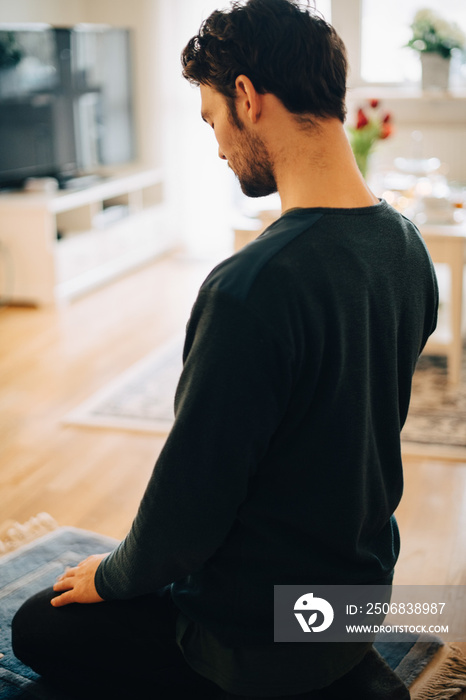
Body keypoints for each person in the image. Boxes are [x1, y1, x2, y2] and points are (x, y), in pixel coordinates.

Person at [12, 1, 438, 698]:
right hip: (354, 603)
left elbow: (189, 508)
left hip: (256, 635)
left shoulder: (253, 287)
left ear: (246, 95)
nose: (215, 145)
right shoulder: (406, 248)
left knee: (38, 626)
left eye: (212, 118)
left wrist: (115, 575)